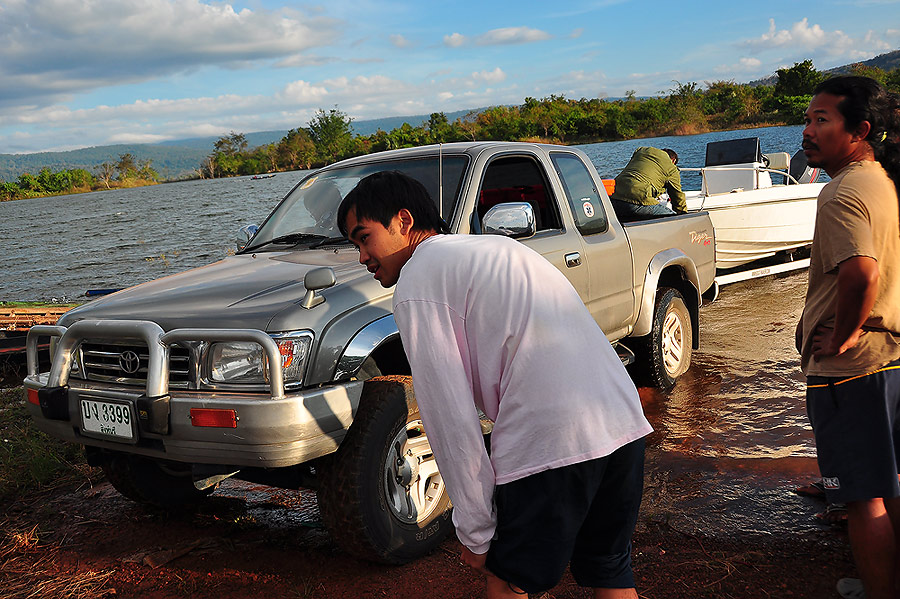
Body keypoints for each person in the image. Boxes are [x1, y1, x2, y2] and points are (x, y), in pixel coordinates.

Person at [337, 171, 652, 599]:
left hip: (551, 441)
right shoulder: (494, 247)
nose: (361, 257)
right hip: (622, 422)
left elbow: (449, 416)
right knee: (609, 571)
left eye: (364, 238)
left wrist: (476, 531)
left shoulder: (419, 278)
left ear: (404, 222)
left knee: (507, 582)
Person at [796, 75, 900, 599]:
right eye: (808, 119)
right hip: (890, 359)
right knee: (891, 486)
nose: (808, 131)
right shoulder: (879, 181)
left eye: (822, 120)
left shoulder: (840, 193)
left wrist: (841, 335)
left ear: (859, 130)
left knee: (859, 498)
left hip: (852, 370)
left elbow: (862, 273)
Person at [609, 147, 687, 220]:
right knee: (674, 220)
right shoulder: (671, 168)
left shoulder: (641, 153)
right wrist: (683, 215)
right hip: (637, 201)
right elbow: (677, 196)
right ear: (673, 161)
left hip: (614, 199)